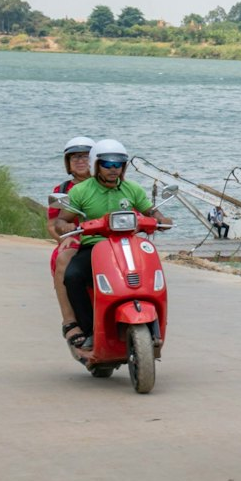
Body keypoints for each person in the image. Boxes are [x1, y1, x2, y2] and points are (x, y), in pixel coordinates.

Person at [53, 139, 172, 350]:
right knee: (72, 277)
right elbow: (62, 219)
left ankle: (155, 325)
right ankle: (89, 329)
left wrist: (161, 219)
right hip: (95, 247)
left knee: (152, 276)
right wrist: (66, 228)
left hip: (128, 244)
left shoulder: (132, 189)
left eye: (118, 164)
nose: (113, 169)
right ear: (96, 164)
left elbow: (151, 211)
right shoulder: (80, 191)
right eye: (107, 164)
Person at [49, 135, 95, 348]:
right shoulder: (61, 190)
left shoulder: (112, 184)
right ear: (68, 162)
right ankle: (70, 320)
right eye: (75, 157)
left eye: (86, 156)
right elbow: (52, 223)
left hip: (106, 237)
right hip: (75, 238)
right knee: (63, 259)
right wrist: (63, 238)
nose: (80, 160)